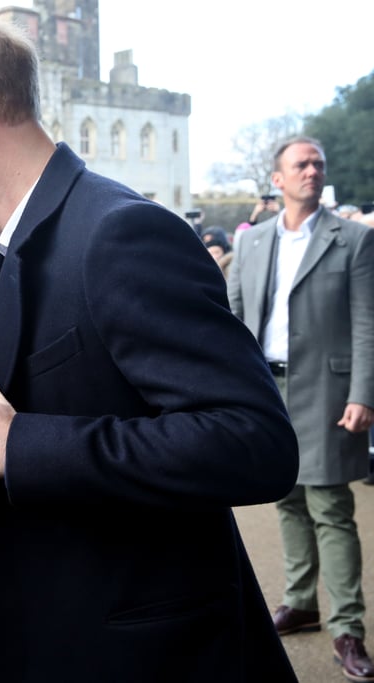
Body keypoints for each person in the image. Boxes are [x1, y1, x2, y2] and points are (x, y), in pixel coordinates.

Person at [0, 14, 299, 681]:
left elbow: (255, 442)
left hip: (155, 658)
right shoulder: (8, 254)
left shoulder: (119, 233)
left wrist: (19, 444)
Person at [227, 136, 374, 681]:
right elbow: (236, 320)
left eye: (318, 164)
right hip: (268, 387)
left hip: (330, 392)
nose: (312, 171)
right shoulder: (253, 242)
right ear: (278, 179)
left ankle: (348, 628)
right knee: (285, 498)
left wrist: (364, 393)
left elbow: (366, 322)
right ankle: (301, 600)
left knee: (331, 508)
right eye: (301, 164)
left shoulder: (353, 239)